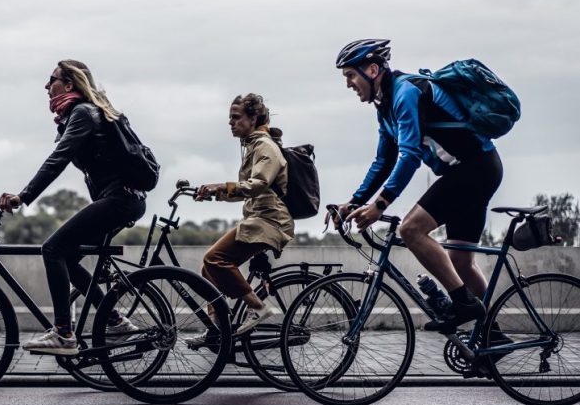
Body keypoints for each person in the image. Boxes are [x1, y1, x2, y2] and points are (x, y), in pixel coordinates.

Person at [332, 39, 505, 336]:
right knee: (461, 263)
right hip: (472, 170)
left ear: (372, 70)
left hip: (474, 168)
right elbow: (383, 160)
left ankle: (463, 304)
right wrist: (355, 200)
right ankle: (492, 338)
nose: (348, 83)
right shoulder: (385, 106)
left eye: (350, 75)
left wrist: (380, 205)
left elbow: (410, 155)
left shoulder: (406, 93)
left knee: (411, 229)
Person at [0, 60, 147, 355]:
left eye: (51, 80)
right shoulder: (82, 113)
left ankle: (64, 334)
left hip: (120, 199)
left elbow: (58, 159)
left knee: (52, 249)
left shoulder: (82, 113)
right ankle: (115, 321)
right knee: (68, 257)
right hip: (125, 199)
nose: (45, 86)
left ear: (68, 85)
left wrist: (23, 196)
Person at [194, 93, 294, 337]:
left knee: (214, 258)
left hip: (270, 222)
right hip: (258, 219)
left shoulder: (265, 146)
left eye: (236, 117)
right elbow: (245, 190)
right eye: (230, 118)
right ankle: (218, 328)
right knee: (209, 271)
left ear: (253, 118)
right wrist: (215, 192)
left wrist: (222, 186)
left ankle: (258, 307)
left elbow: (258, 183)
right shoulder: (253, 146)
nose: (231, 122)